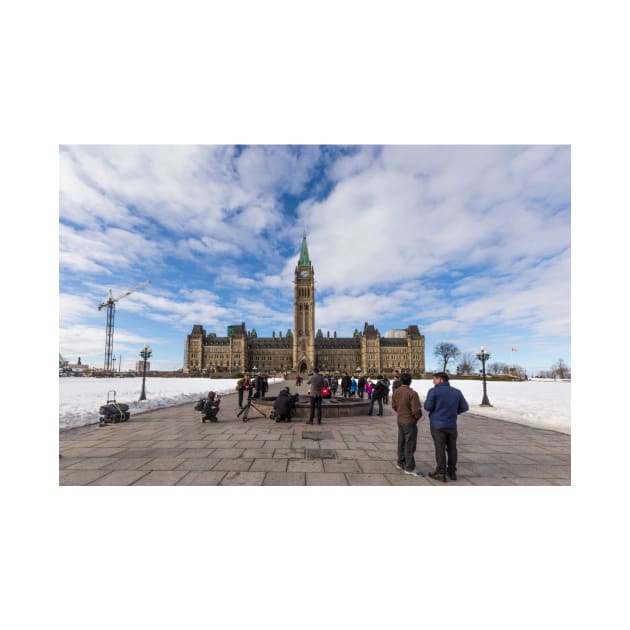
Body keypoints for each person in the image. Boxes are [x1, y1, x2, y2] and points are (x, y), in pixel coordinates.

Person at [424, 372, 469, 482]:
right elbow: (464, 407)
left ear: (440, 379)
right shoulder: (457, 392)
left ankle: (441, 472)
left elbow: (428, 407)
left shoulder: (433, 391)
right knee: (452, 448)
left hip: (437, 425)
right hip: (451, 425)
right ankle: (452, 472)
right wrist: (453, 413)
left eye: (434, 379)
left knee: (440, 448)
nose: (433, 381)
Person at [391, 374, 423, 475]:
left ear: (400, 381)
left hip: (400, 420)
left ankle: (400, 463)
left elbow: (394, 406)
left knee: (401, 442)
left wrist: (401, 412)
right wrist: (416, 417)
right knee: (410, 444)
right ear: (410, 381)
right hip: (409, 421)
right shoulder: (412, 393)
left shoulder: (396, 392)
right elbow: (416, 410)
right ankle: (409, 467)